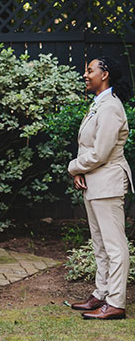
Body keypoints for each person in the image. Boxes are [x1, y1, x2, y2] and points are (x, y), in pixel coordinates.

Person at [69, 56, 133, 320]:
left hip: (108, 183)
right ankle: (101, 293)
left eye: (90, 70)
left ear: (104, 74)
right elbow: (90, 148)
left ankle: (116, 302)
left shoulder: (110, 107)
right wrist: (81, 172)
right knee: (100, 244)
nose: (85, 74)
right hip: (94, 183)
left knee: (114, 245)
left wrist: (74, 166)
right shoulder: (99, 104)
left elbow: (101, 152)